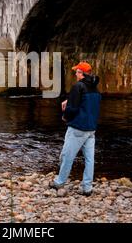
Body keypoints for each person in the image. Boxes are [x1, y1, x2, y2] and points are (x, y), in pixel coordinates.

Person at [50, 61, 102, 196]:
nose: (75, 74)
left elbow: (73, 109)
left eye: (77, 72)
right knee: (90, 159)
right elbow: (86, 102)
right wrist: (69, 100)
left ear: (81, 73)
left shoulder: (78, 86)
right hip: (91, 129)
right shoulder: (95, 87)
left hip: (78, 128)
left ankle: (59, 182)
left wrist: (65, 117)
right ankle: (87, 187)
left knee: (67, 155)